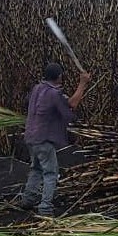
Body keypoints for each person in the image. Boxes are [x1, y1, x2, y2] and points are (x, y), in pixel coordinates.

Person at [20, 62, 91, 216]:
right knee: (51, 173)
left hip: (31, 137)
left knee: (36, 169)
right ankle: (45, 207)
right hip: (44, 139)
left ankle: (27, 200)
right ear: (59, 76)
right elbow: (72, 104)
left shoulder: (37, 88)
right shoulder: (54, 94)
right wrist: (83, 83)